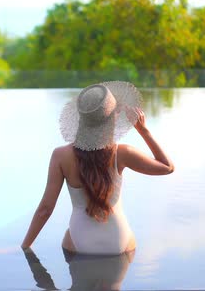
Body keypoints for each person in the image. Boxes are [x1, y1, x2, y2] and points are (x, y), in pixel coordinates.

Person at [21, 81, 174, 255]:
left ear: (81, 118)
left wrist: (25, 247)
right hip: (119, 240)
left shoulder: (61, 156)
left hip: (79, 240)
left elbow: (45, 210)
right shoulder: (123, 153)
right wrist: (144, 131)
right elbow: (167, 167)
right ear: (113, 118)